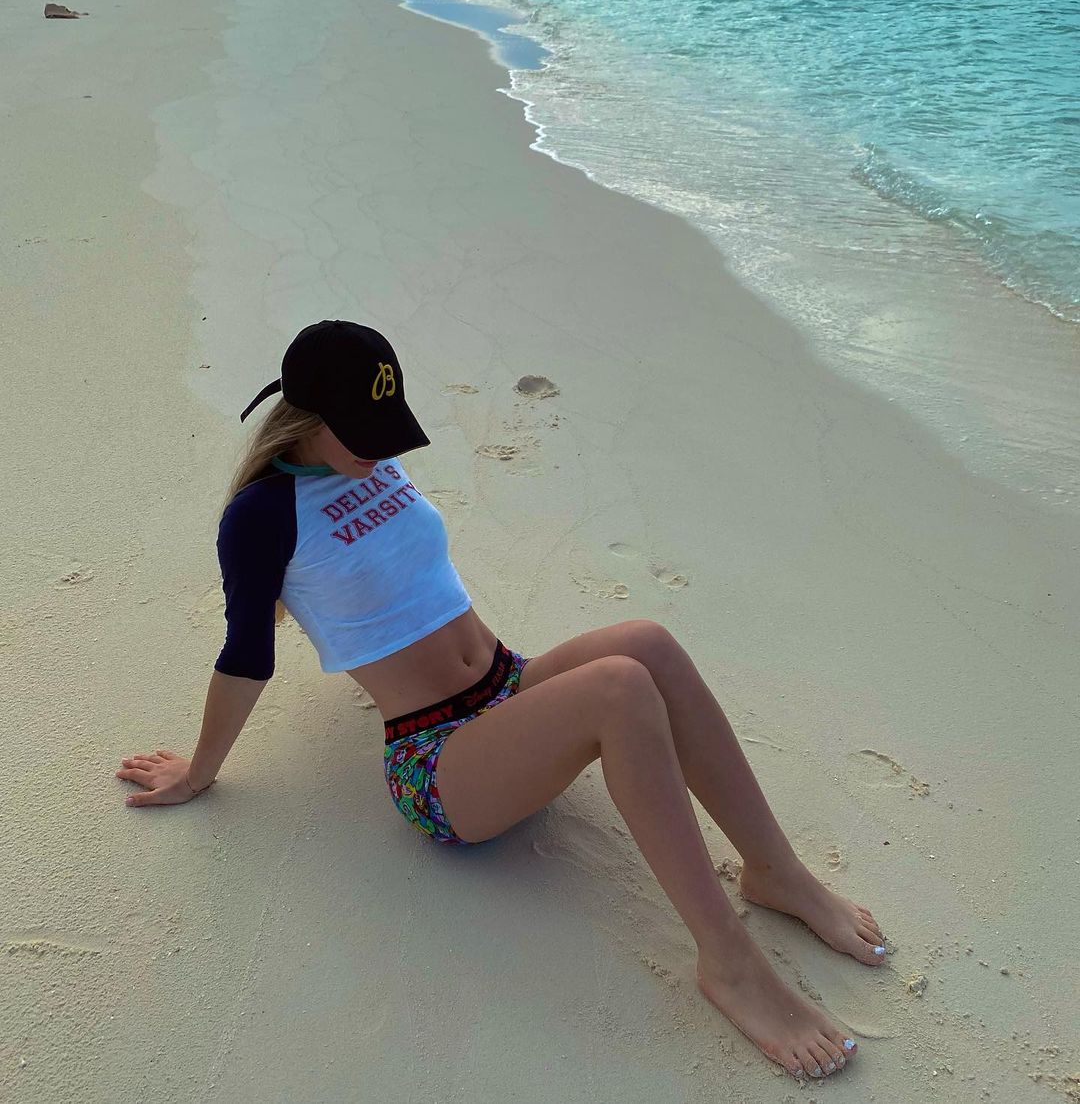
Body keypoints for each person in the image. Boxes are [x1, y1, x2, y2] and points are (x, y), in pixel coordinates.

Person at [116, 319, 885, 1082]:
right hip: (437, 760)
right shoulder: (260, 516)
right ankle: (729, 961)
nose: (380, 447)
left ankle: (775, 871)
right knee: (620, 689)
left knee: (647, 643)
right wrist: (198, 771)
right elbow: (246, 656)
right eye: (362, 429)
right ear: (310, 416)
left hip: (507, 685)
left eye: (386, 427)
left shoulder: (368, 458)